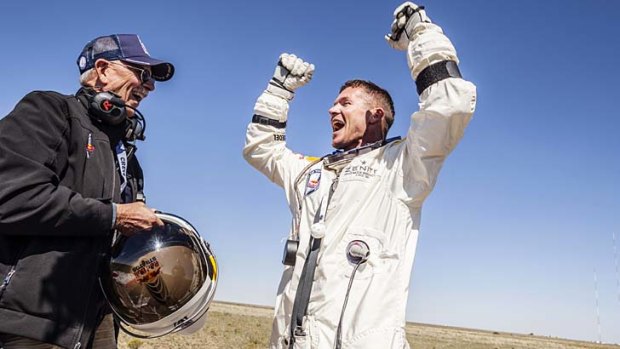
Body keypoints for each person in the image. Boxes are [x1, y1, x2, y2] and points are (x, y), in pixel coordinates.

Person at [243, 2, 477, 348]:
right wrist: (279, 90)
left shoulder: (402, 166)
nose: (331, 108)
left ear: (375, 114)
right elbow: (261, 149)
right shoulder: (312, 174)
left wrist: (420, 33)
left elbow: (450, 104)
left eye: (345, 102)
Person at [0, 34, 173, 349]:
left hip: (97, 323)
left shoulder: (127, 158)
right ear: (104, 69)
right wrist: (114, 215)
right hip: (29, 324)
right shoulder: (50, 111)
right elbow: (10, 197)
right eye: (142, 73)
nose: (149, 87)